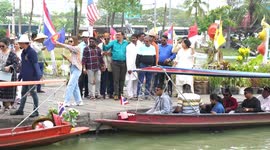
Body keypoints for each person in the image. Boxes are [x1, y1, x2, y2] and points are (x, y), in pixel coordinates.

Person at [11, 34, 42, 117]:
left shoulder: (32, 52)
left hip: (32, 77)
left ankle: (36, 111)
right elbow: (23, 66)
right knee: (23, 93)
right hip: (25, 76)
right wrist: (20, 76)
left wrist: (38, 76)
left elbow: (35, 65)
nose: (19, 44)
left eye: (20, 43)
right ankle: (21, 109)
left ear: (25, 43)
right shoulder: (23, 52)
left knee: (33, 93)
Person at [55, 36, 83, 107]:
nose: (69, 43)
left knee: (70, 85)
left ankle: (66, 101)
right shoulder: (73, 51)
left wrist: (58, 43)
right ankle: (79, 101)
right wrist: (66, 58)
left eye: (71, 41)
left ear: (75, 41)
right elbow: (72, 61)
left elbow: (67, 46)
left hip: (77, 69)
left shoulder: (77, 48)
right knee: (75, 86)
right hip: (73, 68)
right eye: (69, 41)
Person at [103, 31, 128, 100]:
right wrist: (103, 43)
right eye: (116, 35)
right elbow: (105, 48)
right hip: (115, 63)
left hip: (124, 62)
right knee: (116, 79)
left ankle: (121, 93)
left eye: (119, 35)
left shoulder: (126, 43)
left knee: (122, 79)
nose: (117, 36)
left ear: (123, 36)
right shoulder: (113, 42)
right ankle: (116, 94)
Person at [0, 38, 19, 111]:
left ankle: (7, 105)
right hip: (0, 73)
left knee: (6, 90)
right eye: (0, 46)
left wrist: (10, 67)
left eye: (3, 46)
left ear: (7, 45)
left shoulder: (12, 53)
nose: (1, 48)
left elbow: (16, 63)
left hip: (8, 75)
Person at [98, 33, 114, 99]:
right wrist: (103, 53)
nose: (107, 39)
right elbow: (98, 54)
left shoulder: (112, 44)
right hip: (103, 63)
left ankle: (110, 93)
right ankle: (102, 93)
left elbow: (115, 52)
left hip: (111, 64)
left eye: (108, 38)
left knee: (111, 79)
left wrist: (110, 53)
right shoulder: (100, 45)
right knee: (103, 79)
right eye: (105, 38)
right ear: (103, 38)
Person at [125, 34, 139, 99]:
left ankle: (135, 93)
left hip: (137, 66)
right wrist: (129, 68)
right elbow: (128, 58)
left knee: (136, 80)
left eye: (135, 38)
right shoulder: (128, 46)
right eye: (132, 38)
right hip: (130, 66)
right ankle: (130, 94)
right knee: (130, 80)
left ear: (137, 39)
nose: (133, 39)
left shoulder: (139, 45)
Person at [78, 31, 89, 98]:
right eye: (84, 37)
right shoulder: (80, 46)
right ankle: (80, 93)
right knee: (81, 79)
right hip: (82, 63)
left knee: (88, 79)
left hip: (89, 64)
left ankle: (87, 93)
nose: (85, 38)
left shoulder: (90, 44)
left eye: (86, 37)